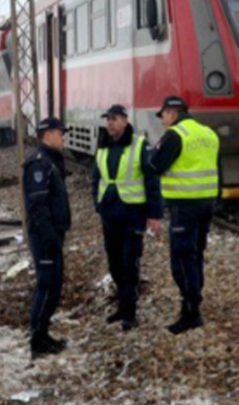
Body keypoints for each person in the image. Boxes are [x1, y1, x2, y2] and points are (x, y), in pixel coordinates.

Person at [149, 96, 220, 335]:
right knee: (196, 253)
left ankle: (191, 312)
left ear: (172, 113)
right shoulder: (208, 134)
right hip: (206, 204)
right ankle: (194, 300)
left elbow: (155, 164)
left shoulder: (175, 135)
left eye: (163, 116)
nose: (162, 121)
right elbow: (217, 169)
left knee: (181, 258)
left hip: (184, 206)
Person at [91, 105, 163, 331]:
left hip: (132, 215)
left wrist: (154, 214)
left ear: (124, 120)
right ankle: (123, 306)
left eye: (114, 119)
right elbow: (96, 179)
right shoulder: (103, 147)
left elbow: (152, 180)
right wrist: (98, 204)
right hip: (110, 215)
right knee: (114, 265)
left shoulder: (139, 145)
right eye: (108, 120)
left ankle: (129, 314)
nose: (110, 124)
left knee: (129, 265)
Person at [23, 117, 71, 358]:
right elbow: (37, 205)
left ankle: (43, 334)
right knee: (47, 285)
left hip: (52, 234)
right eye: (60, 133)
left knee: (54, 285)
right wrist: (50, 237)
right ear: (48, 134)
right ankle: (37, 339)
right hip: (45, 236)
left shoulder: (50, 161)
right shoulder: (40, 163)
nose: (63, 137)